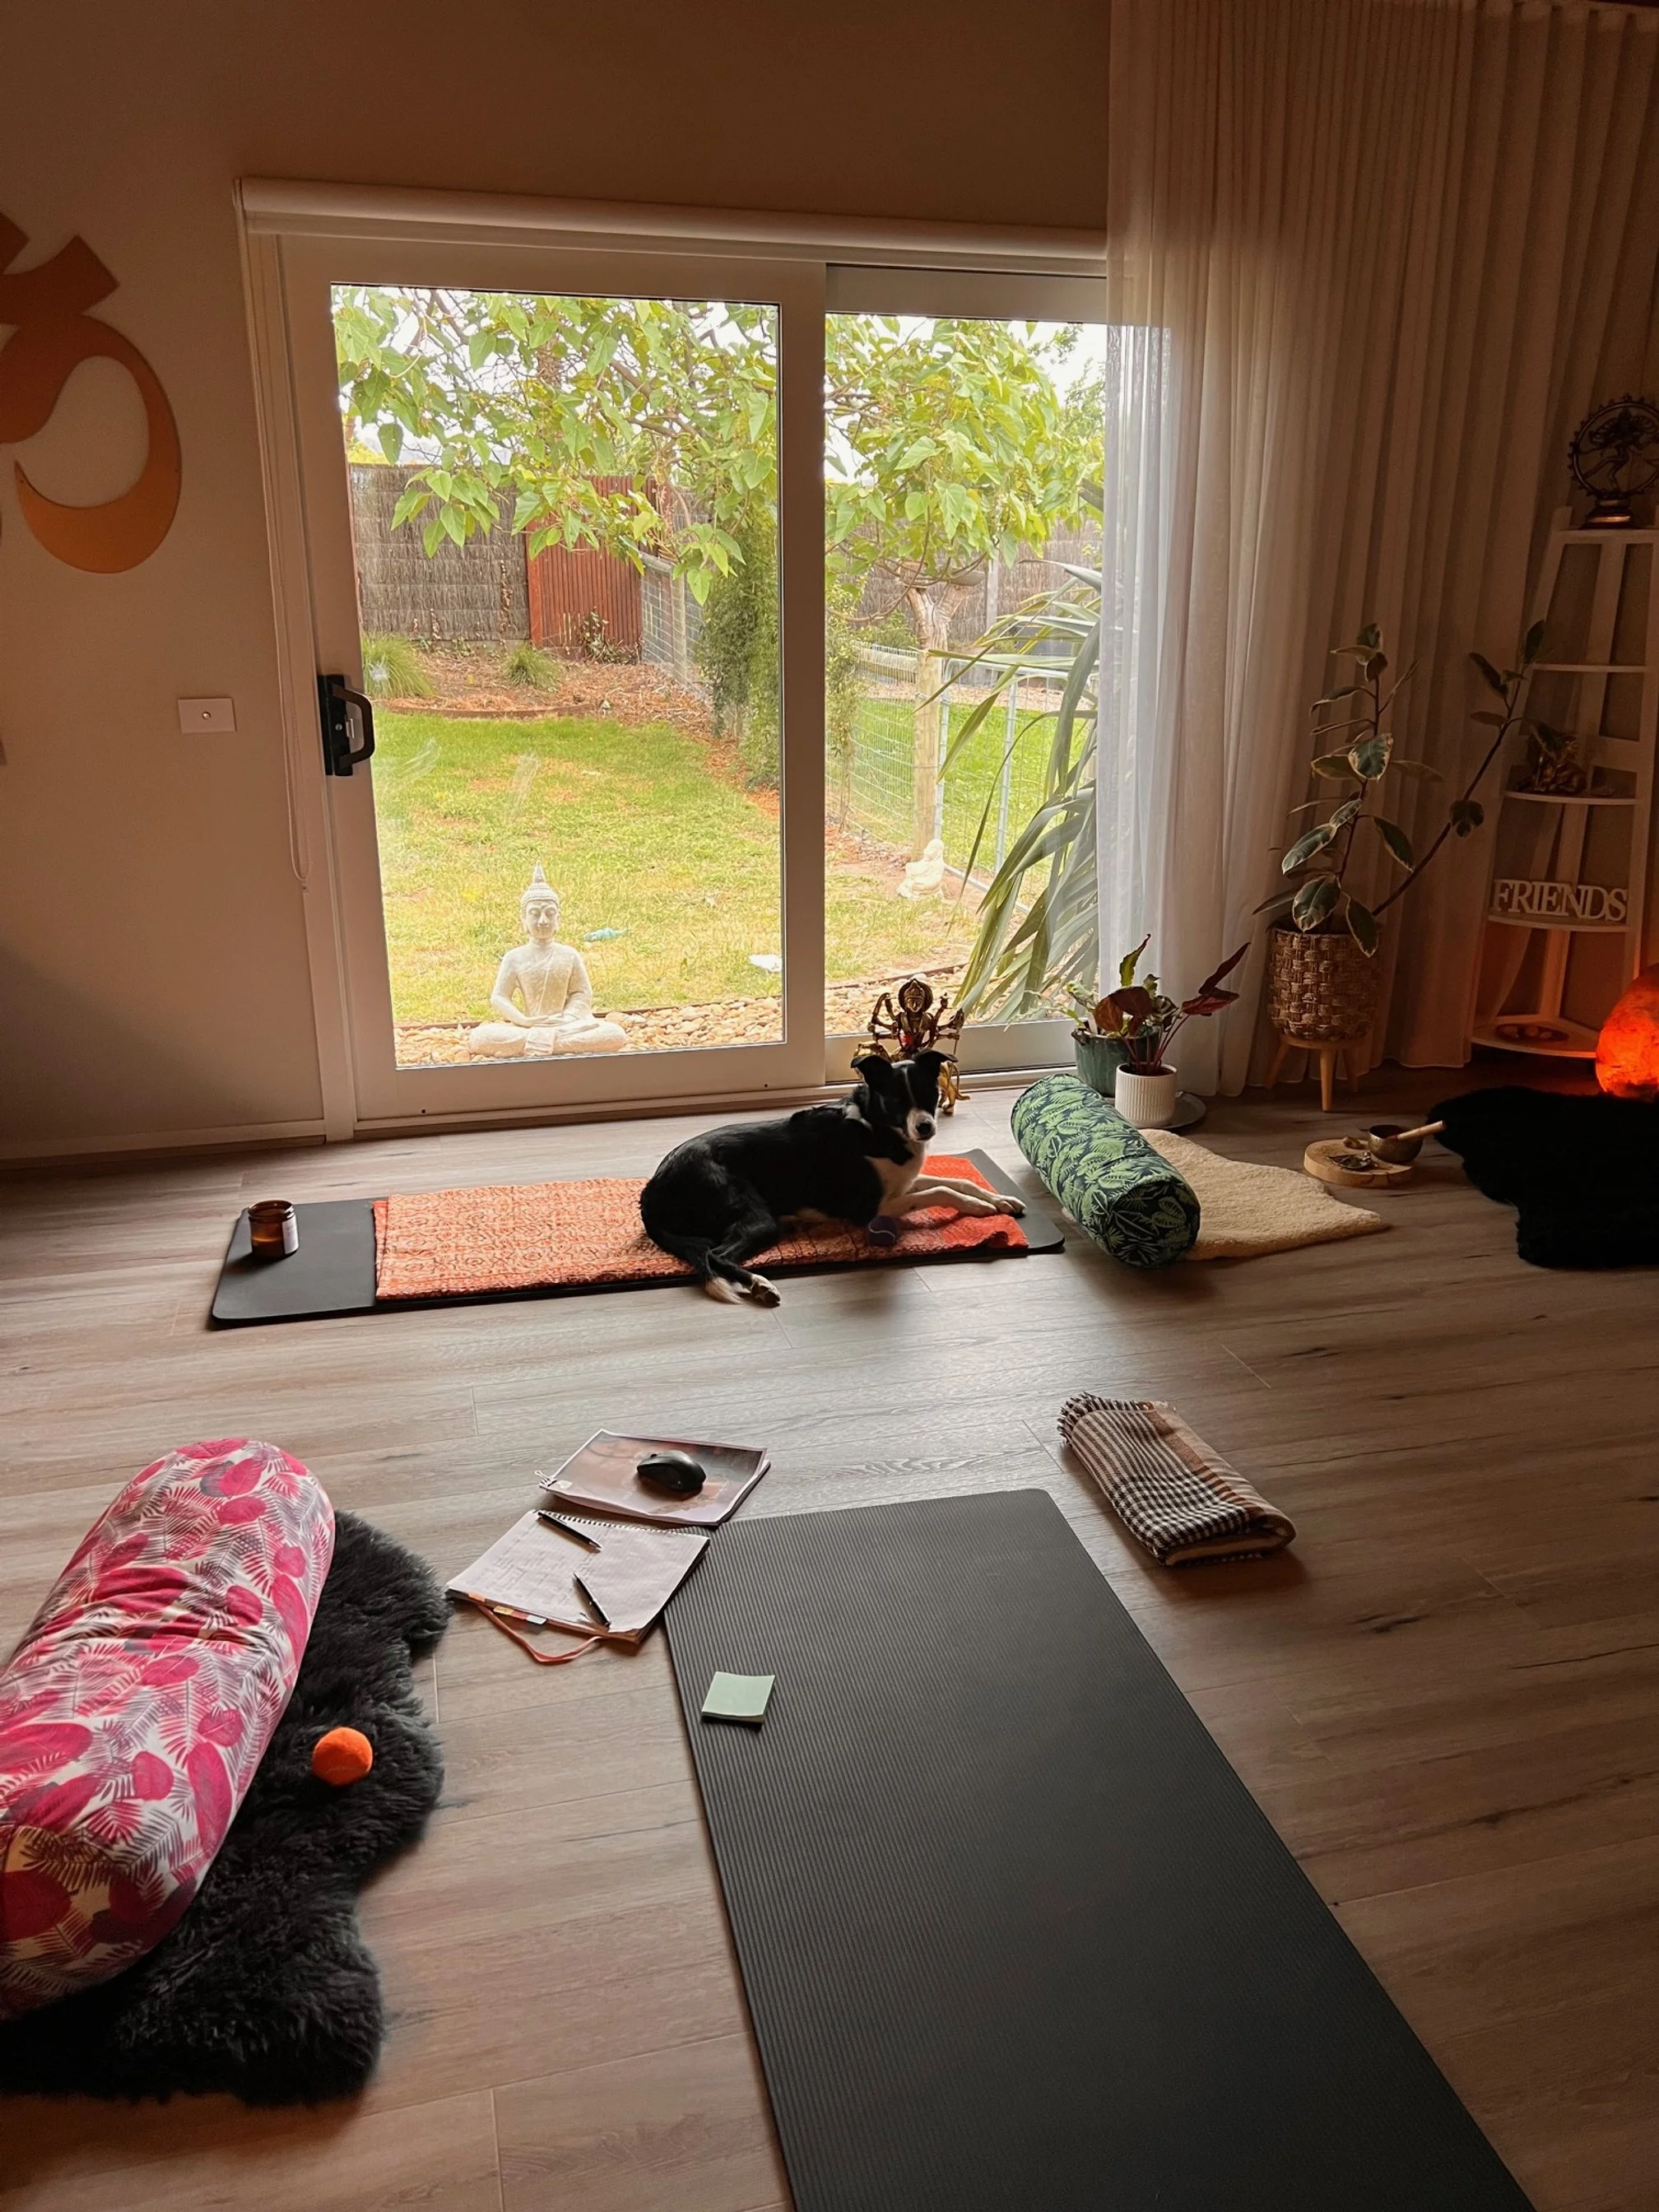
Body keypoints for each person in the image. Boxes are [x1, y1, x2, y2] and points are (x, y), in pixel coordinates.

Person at [467, 866, 628, 1057]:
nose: (543, 921)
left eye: (550, 914)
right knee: (481, 1036)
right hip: (529, 1025)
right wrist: (523, 1020)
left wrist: (566, 1019)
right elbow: (499, 997)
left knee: (614, 1034)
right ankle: (556, 1044)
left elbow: (582, 994)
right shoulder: (514, 957)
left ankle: (543, 1043)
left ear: (558, 918)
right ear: (523, 919)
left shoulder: (569, 955)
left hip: (565, 1026)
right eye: (535, 914)